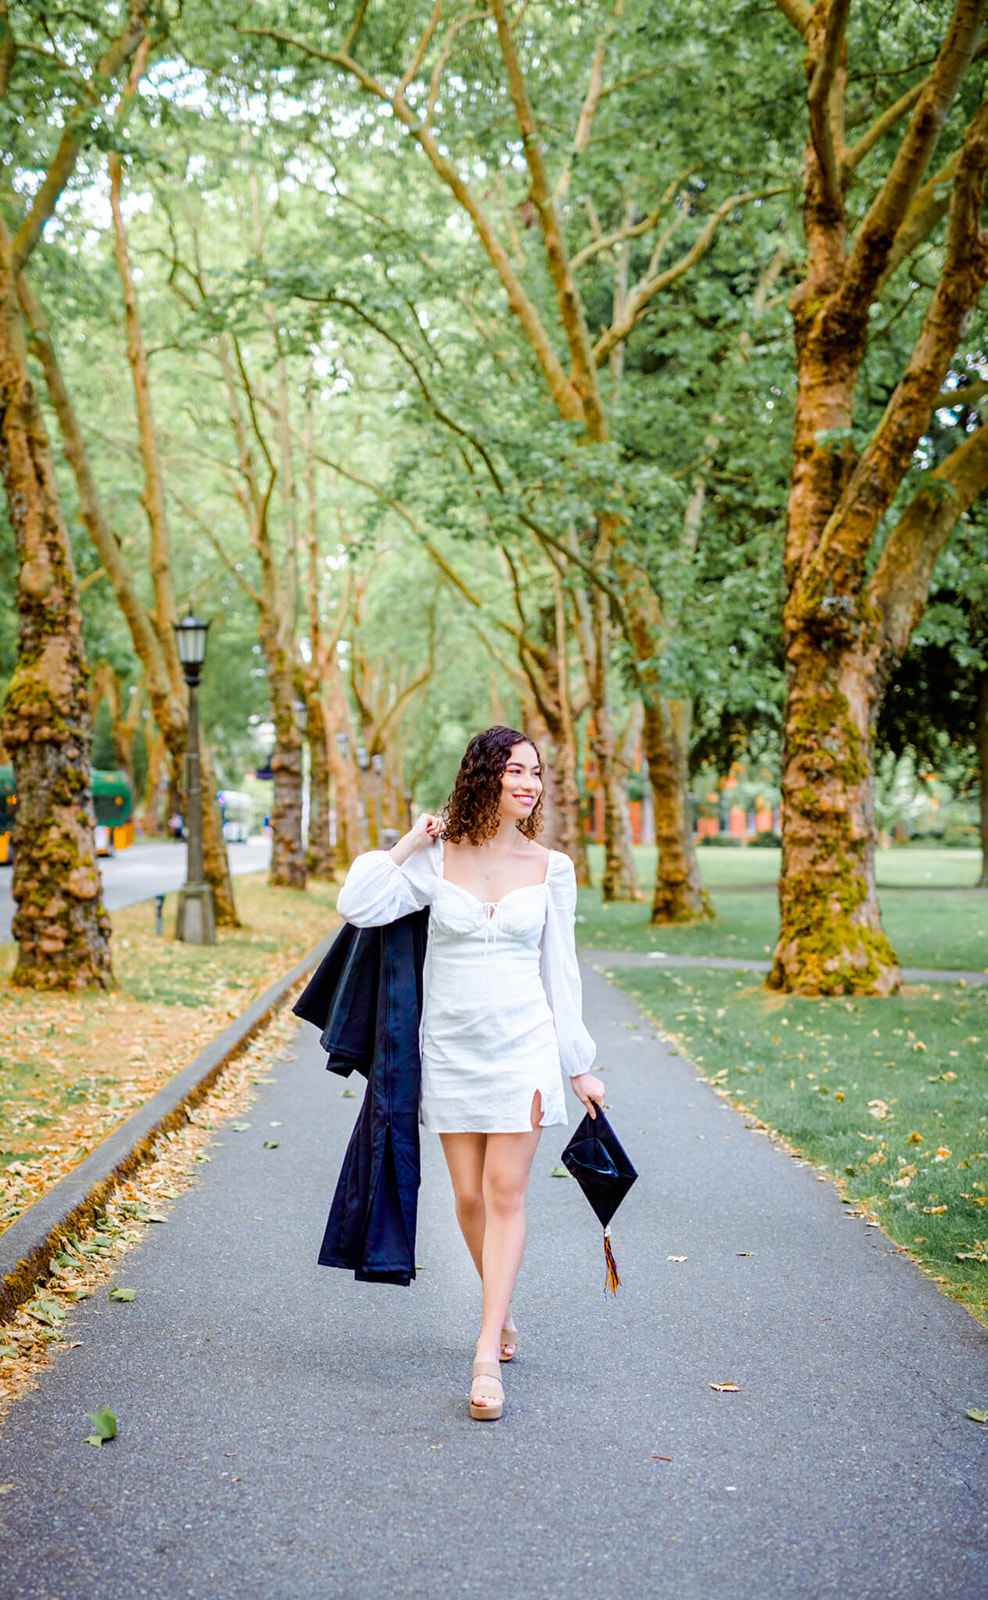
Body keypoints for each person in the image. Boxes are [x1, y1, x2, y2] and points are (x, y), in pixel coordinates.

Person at [336, 726, 604, 1422]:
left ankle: (486, 1351)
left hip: (524, 1047)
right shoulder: (437, 857)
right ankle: (503, 1311)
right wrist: (408, 841)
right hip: (451, 1049)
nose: (529, 783)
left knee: (504, 1190)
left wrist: (581, 1067)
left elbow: (561, 973)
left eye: (536, 773)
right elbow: (359, 904)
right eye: (515, 770)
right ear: (484, 775)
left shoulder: (552, 868)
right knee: (466, 1198)